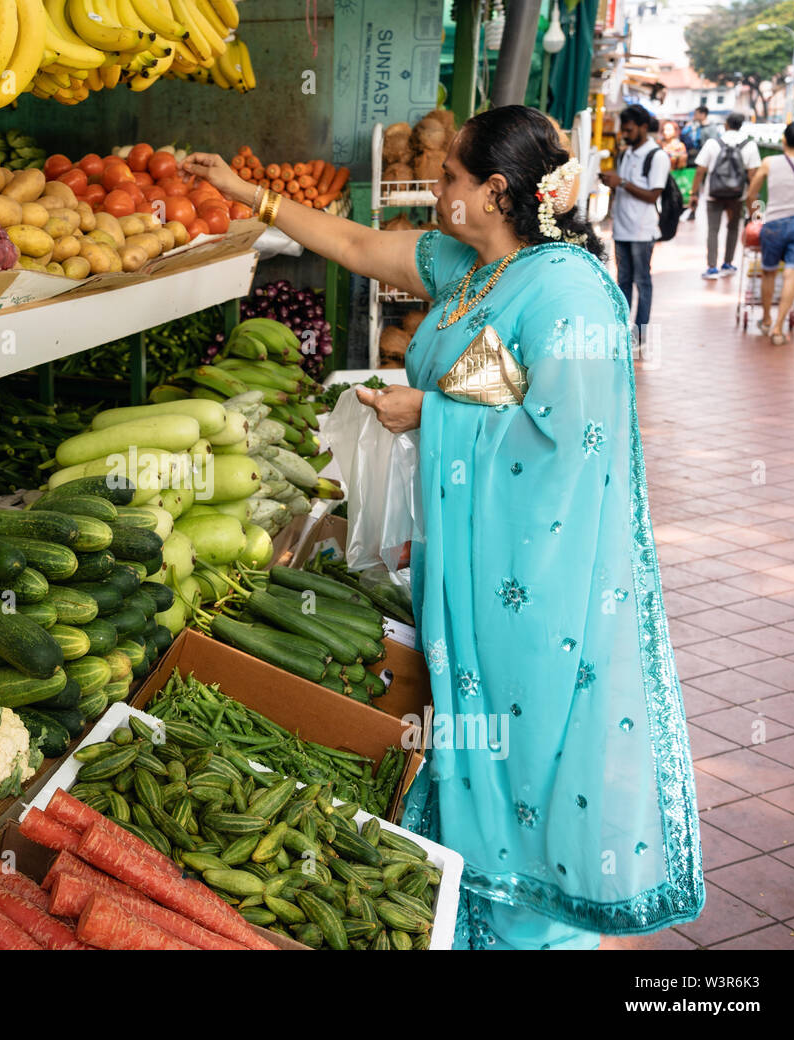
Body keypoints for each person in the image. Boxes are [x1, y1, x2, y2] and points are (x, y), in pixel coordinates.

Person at [183, 104, 704, 951]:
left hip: (534, 577)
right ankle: (475, 890)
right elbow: (354, 245)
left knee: (524, 744)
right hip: (463, 555)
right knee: (472, 732)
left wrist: (433, 412)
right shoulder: (473, 269)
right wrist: (251, 196)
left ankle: (530, 923)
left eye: (451, 176)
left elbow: (571, 447)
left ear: (495, 192)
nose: (436, 186)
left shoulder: (570, 295)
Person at [600, 104, 669, 332]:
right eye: (624, 130)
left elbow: (653, 195)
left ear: (643, 127)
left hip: (642, 229)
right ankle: (622, 330)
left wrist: (620, 182)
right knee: (623, 282)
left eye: (629, 130)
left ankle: (640, 333)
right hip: (621, 228)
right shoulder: (625, 153)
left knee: (642, 281)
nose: (625, 134)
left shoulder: (657, 156)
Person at [745, 119, 794, 344]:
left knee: (769, 271)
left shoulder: (769, 162)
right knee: (792, 274)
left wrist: (755, 213)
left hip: (774, 223)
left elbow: (751, 194)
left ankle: (765, 319)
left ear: (783, 139)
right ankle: (779, 328)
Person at [692, 112, 762, 278]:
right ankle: (728, 263)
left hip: (713, 193)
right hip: (738, 195)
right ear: (741, 125)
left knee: (713, 230)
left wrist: (694, 193)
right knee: (733, 228)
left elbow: (700, 170)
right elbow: (753, 175)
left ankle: (711, 267)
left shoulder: (712, 143)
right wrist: (754, 201)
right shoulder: (749, 145)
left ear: (726, 125)